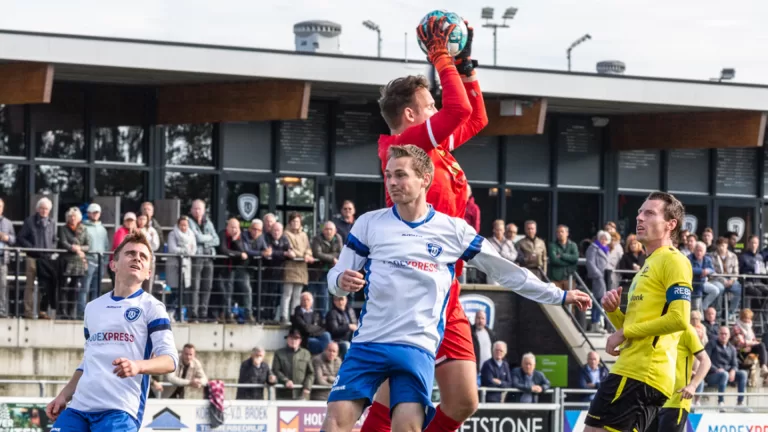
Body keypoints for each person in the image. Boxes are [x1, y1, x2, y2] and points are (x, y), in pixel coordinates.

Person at [322, 144, 590, 432]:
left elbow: (508, 272)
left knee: (407, 427)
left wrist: (559, 294)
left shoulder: (453, 230)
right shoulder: (369, 223)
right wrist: (340, 282)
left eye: (401, 175)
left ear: (425, 178)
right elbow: (336, 277)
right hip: (369, 344)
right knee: (335, 422)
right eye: (388, 176)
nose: (393, 183)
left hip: (416, 349)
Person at [368, 13, 490, 432]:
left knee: (462, 400)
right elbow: (457, 109)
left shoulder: (430, 148)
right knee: (398, 407)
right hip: (410, 287)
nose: (437, 109)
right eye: (428, 105)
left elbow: (474, 118)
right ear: (409, 114)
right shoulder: (405, 145)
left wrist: (466, 65)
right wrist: (441, 57)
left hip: (446, 283)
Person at [46, 231, 178, 431]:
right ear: (113, 264)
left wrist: (137, 366)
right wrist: (64, 395)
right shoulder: (92, 307)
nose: (137, 258)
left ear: (148, 272)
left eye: (143, 257)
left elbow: (170, 360)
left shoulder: (153, 307)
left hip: (120, 410)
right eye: (130, 253)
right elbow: (89, 360)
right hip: (79, 408)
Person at [587, 191, 692, 432]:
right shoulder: (648, 264)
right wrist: (614, 313)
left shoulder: (674, 261)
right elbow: (636, 327)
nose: (640, 218)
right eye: (639, 213)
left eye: (649, 213)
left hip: (644, 373)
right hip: (628, 369)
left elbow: (679, 318)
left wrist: (624, 332)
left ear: (670, 224)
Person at [652, 325, 711, 432]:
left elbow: (706, 361)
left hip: (675, 401)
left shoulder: (686, 330)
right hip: (652, 401)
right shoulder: (655, 326)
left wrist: (693, 385)